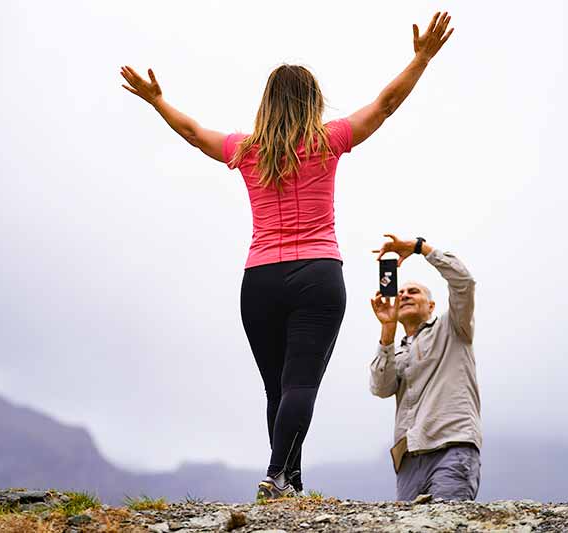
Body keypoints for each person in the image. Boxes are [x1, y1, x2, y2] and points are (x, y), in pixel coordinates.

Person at [120, 12, 454, 500]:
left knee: (278, 388)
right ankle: (278, 474)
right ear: (313, 101)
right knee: (300, 384)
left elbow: (193, 133)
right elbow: (384, 106)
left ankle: (290, 479)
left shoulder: (245, 149)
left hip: (259, 280)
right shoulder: (328, 140)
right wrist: (421, 59)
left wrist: (157, 102)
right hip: (316, 274)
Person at [370, 234, 481, 501]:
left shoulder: (453, 328)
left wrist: (420, 248)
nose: (405, 295)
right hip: (409, 458)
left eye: (413, 291)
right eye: (400, 293)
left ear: (431, 305)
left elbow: (463, 282)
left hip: (450, 446)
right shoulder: (397, 350)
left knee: (446, 525)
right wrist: (387, 331)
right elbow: (380, 388)